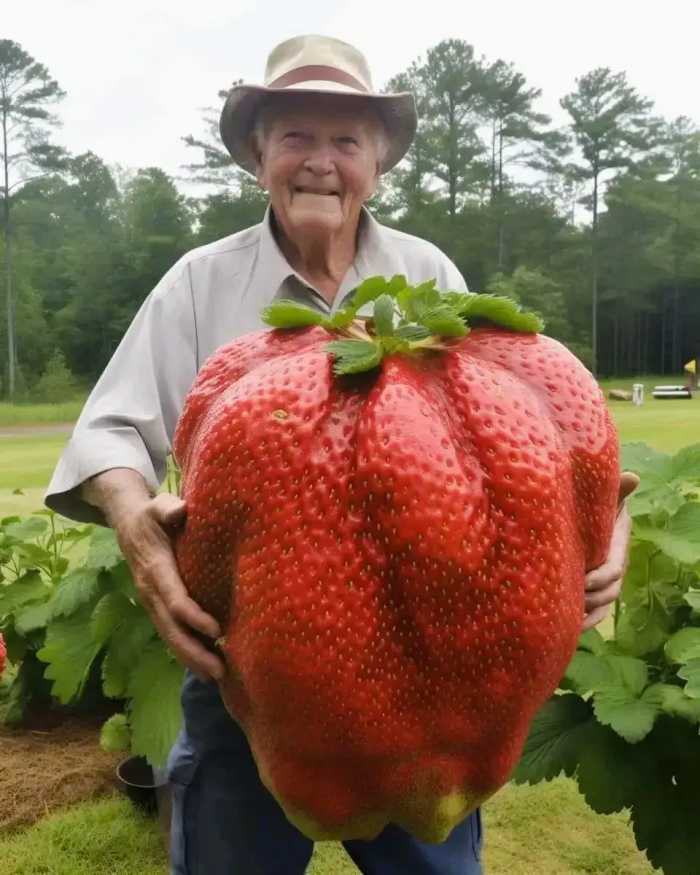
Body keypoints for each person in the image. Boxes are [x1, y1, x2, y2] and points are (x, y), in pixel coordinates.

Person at [45, 34, 637, 875]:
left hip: (433, 675)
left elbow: (524, 429)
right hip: (248, 670)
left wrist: (600, 519)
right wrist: (135, 523)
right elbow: (110, 429)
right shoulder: (199, 282)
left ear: (378, 164)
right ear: (259, 159)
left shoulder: (427, 278)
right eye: (295, 136)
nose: (320, 161)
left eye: (346, 141)